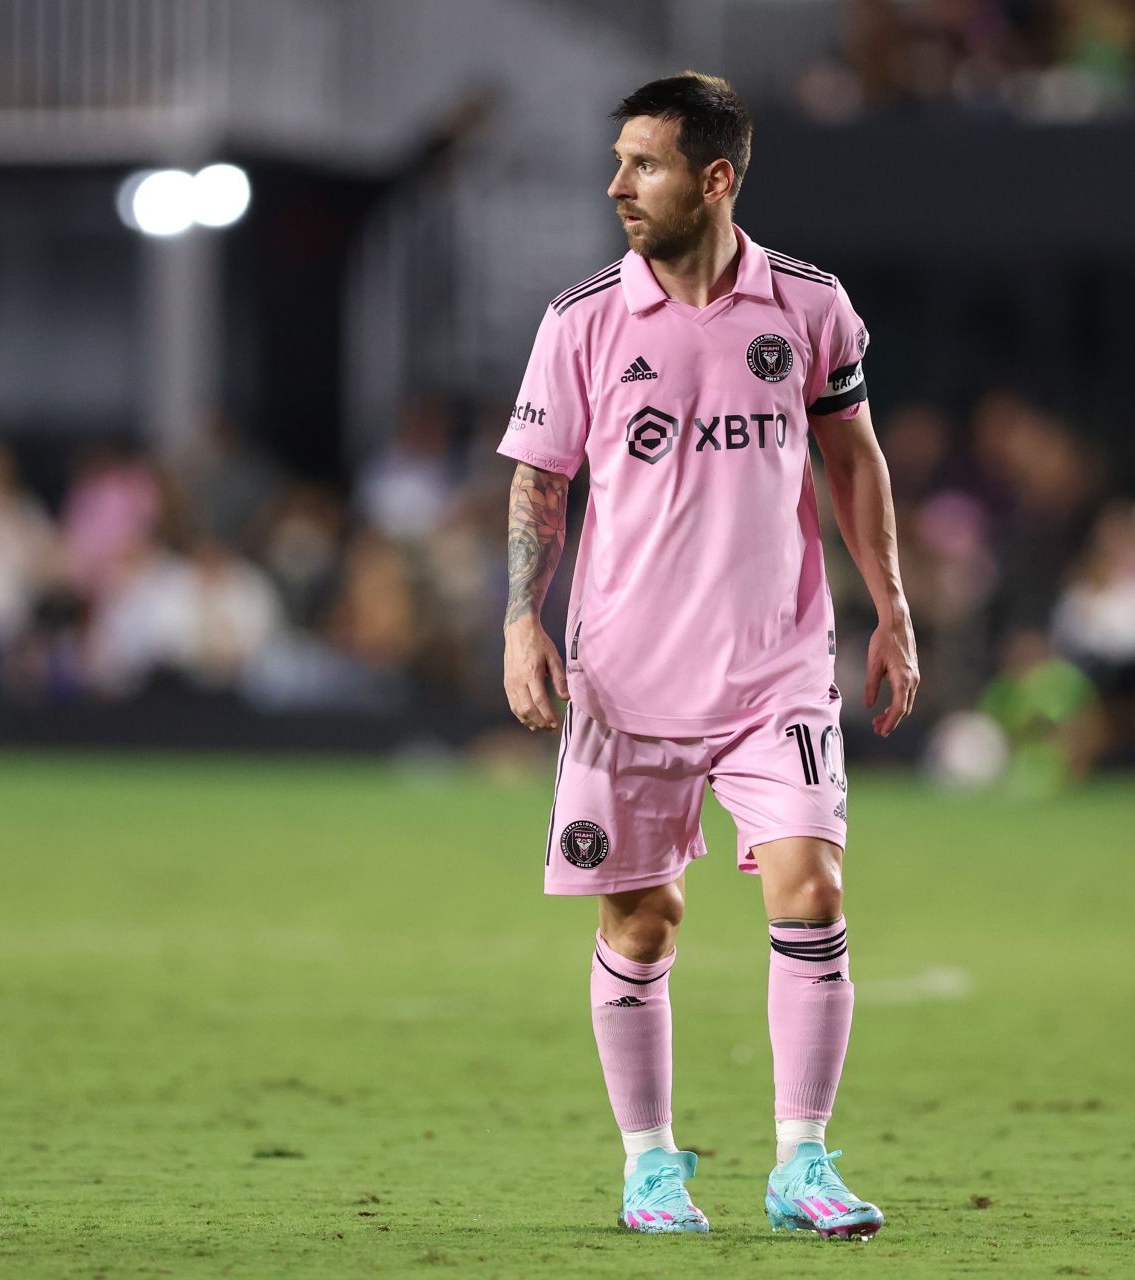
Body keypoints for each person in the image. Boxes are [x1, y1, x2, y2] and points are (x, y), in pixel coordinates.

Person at [497, 72, 918, 1240]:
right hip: (624, 681)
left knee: (813, 886)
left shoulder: (810, 306)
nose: (617, 186)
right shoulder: (583, 320)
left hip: (776, 668)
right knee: (642, 925)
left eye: (645, 164)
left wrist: (893, 606)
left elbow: (854, 458)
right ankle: (649, 1167)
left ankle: (803, 1159)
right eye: (620, 161)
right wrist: (520, 620)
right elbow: (542, 480)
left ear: (715, 178)